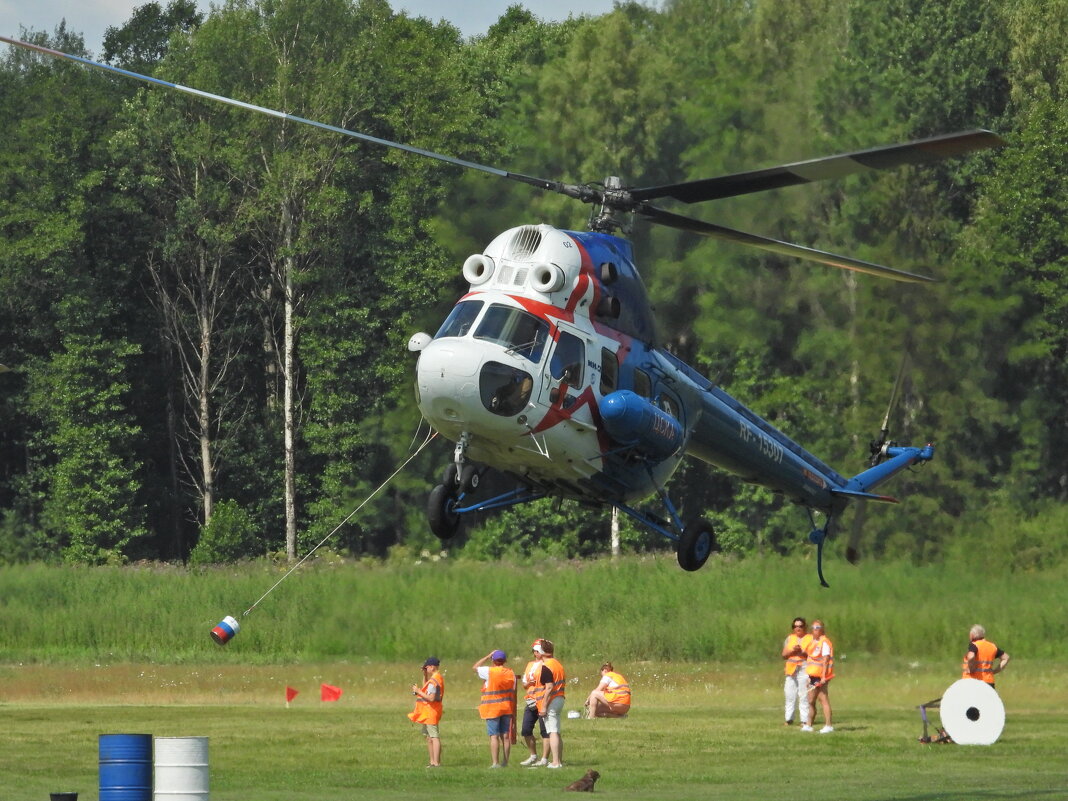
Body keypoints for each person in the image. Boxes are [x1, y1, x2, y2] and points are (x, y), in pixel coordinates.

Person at [472, 648, 517, 768]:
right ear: (505, 661)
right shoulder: (510, 672)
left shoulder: (489, 671)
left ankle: (495, 763)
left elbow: (475, 667)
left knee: (494, 736)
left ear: (493, 660)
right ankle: (505, 762)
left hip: (492, 708)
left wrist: (487, 656)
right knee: (505, 736)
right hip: (506, 707)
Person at [530, 638, 565, 769]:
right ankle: (558, 760)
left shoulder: (546, 666)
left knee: (553, 732)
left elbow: (549, 687)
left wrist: (543, 706)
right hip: (559, 698)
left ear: (540, 651)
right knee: (556, 731)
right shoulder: (557, 663)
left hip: (552, 700)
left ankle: (556, 762)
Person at [518, 639, 551, 767]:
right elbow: (525, 683)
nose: (535, 653)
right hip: (531, 700)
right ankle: (533, 755)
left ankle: (544, 758)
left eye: (536, 651)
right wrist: (529, 683)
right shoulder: (530, 664)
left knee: (545, 731)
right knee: (526, 730)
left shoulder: (547, 664)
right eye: (534, 651)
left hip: (542, 700)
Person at [408, 656, 444, 767]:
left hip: (431, 712)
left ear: (432, 667)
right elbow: (426, 688)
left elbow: (431, 698)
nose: (426, 669)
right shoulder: (434, 679)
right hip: (427, 712)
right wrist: (424, 675)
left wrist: (418, 691)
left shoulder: (435, 680)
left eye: (426, 667)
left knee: (434, 737)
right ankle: (432, 762)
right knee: (429, 738)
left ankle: (436, 763)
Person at [802, 619, 834, 734]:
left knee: (823, 699)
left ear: (822, 629)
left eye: (817, 628)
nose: (815, 630)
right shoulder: (812, 642)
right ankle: (808, 724)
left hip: (821, 675)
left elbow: (825, 660)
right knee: (811, 700)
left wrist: (824, 676)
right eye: (813, 628)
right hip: (812, 675)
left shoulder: (824, 642)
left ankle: (828, 725)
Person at [782, 617, 812, 726]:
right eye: (795, 626)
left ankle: (804, 720)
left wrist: (801, 651)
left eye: (800, 626)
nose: (798, 628)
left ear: (805, 627)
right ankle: (789, 719)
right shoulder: (790, 638)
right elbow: (784, 655)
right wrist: (792, 650)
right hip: (791, 669)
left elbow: (813, 655)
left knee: (803, 695)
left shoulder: (810, 638)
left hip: (804, 667)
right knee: (789, 694)